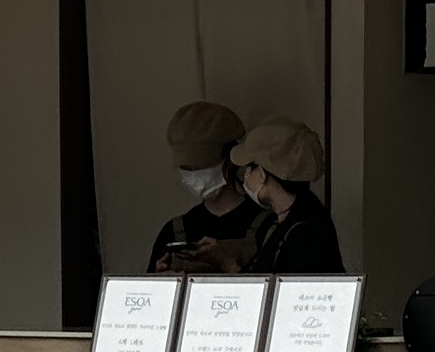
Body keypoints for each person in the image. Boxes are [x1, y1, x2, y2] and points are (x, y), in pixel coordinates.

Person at [146, 102, 259, 274]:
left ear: (230, 159)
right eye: (186, 168)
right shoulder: (174, 231)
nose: (193, 174)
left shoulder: (267, 226)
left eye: (200, 167)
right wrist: (160, 282)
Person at [229, 120, 344, 275]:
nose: (246, 175)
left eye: (249, 168)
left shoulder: (304, 236)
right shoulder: (287, 219)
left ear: (262, 174)